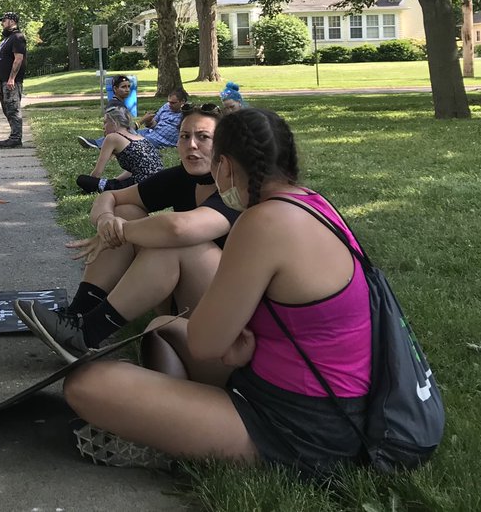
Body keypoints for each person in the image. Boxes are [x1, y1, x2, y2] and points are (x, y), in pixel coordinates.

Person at [56, 108, 374, 475]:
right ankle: (174, 419)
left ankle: (175, 441)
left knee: (86, 385)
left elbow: (207, 344)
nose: (194, 150)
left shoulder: (261, 223)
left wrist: (233, 340)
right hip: (324, 398)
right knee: (161, 326)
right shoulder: (314, 205)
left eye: (207, 145)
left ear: (223, 164)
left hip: (300, 428)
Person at [22, 105, 233, 361]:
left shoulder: (236, 188)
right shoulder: (182, 177)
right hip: (183, 297)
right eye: (184, 136)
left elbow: (179, 229)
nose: (191, 145)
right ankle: (77, 316)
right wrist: (107, 221)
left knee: (179, 243)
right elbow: (109, 197)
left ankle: (88, 333)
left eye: (203, 137)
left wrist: (123, 232)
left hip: (227, 313)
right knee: (126, 211)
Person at [75, 104, 163, 194]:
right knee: (115, 182)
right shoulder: (137, 136)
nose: (103, 127)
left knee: (82, 179)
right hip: (159, 183)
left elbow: (97, 173)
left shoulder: (112, 138)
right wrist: (116, 180)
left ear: (114, 123)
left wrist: (90, 184)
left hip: (141, 187)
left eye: (105, 122)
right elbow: (135, 169)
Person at [78, 87, 188, 151]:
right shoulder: (166, 107)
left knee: (130, 140)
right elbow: (155, 123)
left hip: (161, 140)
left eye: (173, 103)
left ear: (182, 101)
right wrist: (149, 121)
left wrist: (186, 110)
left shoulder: (187, 114)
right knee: (124, 132)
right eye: (168, 101)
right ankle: (96, 143)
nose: (169, 105)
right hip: (151, 132)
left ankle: (105, 146)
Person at [0, 12, 27, 148]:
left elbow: (18, 59)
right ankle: (14, 135)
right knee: (7, 108)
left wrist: (12, 78)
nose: (2, 23)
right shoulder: (7, 38)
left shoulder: (17, 37)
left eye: (4, 20)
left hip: (11, 80)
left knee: (13, 108)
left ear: (12, 21)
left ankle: (16, 138)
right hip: (3, 80)